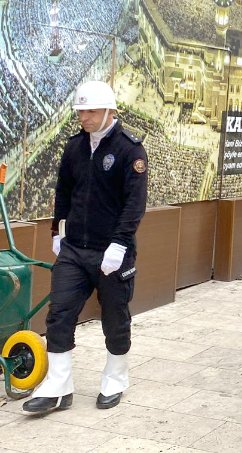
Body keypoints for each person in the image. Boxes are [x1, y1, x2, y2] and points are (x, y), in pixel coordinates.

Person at [24, 80, 148, 414]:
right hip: (73, 250)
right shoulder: (75, 146)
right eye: (81, 111)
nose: (85, 117)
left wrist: (119, 245)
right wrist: (56, 230)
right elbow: (63, 191)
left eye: (91, 111)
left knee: (115, 317)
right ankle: (59, 386)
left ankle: (115, 378)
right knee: (59, 313)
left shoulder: (130, 150)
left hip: (111, 252)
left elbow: (134, 204)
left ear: (110, 111)